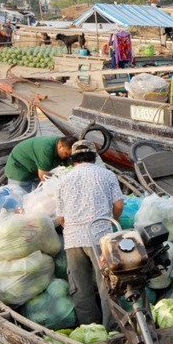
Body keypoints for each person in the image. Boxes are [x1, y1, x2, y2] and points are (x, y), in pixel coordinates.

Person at [55, 139, 125, 329]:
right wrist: (114, 219)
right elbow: (119, 205)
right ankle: (112, 328)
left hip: (73, 240)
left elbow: (61, 218)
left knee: (80, 288)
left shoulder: (63, 181)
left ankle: (90, 328)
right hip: (100, 237)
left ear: (73, 158)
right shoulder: (107, 174)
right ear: (94, 157)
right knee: (107, 285)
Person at [5, 135, 75, 192]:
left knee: (36, 193)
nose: (67, 157)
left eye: (69, 155)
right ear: (60, 146)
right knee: (19, 198)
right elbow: (43, 177)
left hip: (34, 169)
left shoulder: (61, 146)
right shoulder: (46, 149)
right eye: (66, 154)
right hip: (19, 169)